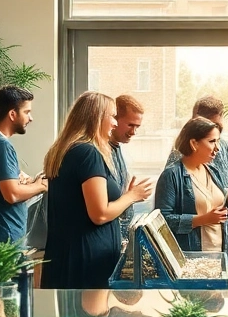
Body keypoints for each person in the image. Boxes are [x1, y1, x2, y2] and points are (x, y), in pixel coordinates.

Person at [39, 92, 154, 289]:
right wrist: (132, 196)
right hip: (86, 261)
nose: (115, 123)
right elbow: (99, 214)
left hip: (69, 255)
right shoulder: (88, 153)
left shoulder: (66, 150)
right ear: (96, 117)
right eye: (112, 116)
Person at [155, 117, 228, 252]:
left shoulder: (213, 171)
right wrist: (203, 219)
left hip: (220, 254)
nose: (218, 148)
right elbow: (162, 222)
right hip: (191, 258)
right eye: (212, 141)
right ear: (194, 143)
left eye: (218, 141)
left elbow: (223, 215)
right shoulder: (171, 175)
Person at [0, 86, 47, 244]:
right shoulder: (1, 145)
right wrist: (41, 186)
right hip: (6, 238)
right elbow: (12, 194)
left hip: (0, 232)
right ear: (12, 114)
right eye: (26, 112)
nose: (30, 118)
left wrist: (28, 182)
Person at [167, 96, 228, 236]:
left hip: (221, 237)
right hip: (190, 241)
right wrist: (202, 220)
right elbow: (167, 215)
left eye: (216, 126)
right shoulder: (177, 157)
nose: (212, 130)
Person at [109, 94, 145, 234]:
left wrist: (129, 193)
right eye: (130, 125)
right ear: (114, 119)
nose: (133, 132)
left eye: (137, 127)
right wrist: (131, 196)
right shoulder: (98, 152)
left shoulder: (117, 147)